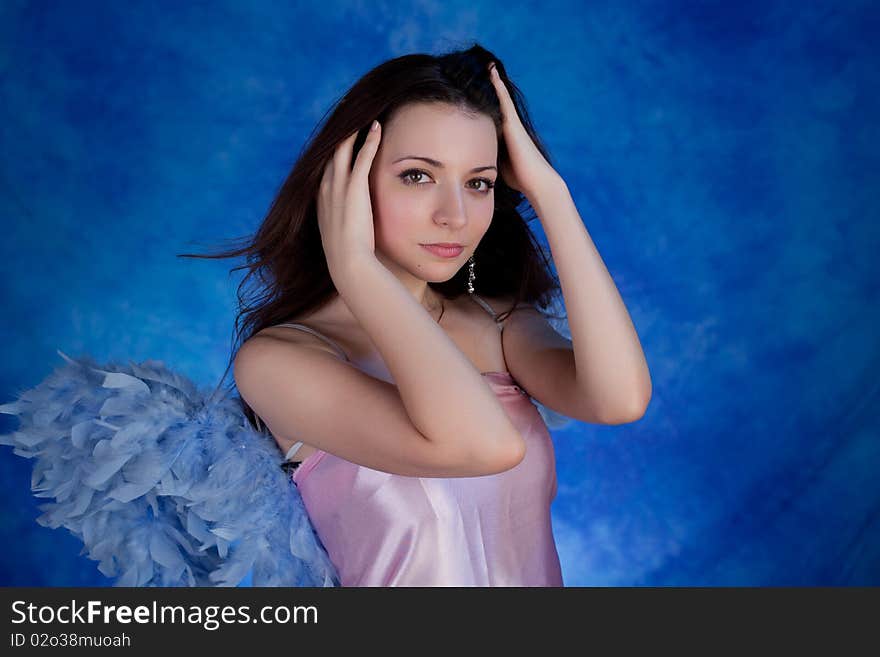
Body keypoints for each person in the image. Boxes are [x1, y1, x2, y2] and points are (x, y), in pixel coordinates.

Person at [1, 43, 650, 587]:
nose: (455, 214)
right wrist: (360, 275)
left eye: (478, 182)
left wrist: (551, 192)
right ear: (347, 179)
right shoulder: (283, 359)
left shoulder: (501, 324)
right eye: (419, 176)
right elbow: (483, 445)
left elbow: (619, 398)